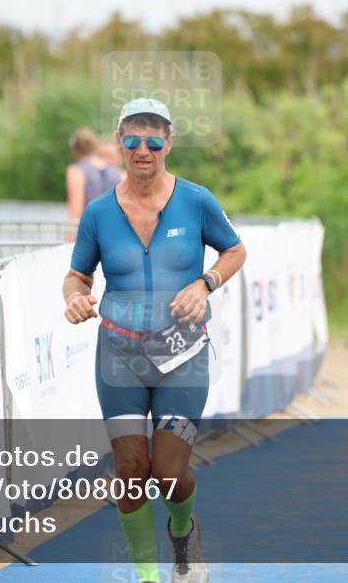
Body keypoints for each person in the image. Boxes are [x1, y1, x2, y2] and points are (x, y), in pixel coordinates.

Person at [63, 98, 247, 583]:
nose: (142, 149)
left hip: (183, 355)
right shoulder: (99, 213)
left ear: (170, 142)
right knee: (128, 469)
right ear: (118, 141)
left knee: (167, 474)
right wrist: (76, 299)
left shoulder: (197, 200)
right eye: (131, 138)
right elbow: (77, 276)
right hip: (119, 356)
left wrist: (205, 283)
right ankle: (147, 576)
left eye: (153, 138)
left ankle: (184, 536)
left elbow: (235, 249)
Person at [65, 127, 124, 240]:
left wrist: (69, 242)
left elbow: (75, 213)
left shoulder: (77, 171)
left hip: (90, 237)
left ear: (74, 149)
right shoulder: (120, 174)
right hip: (116, 237)